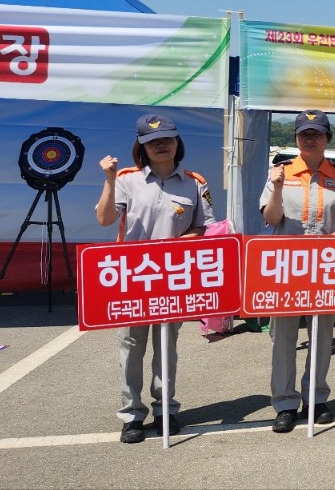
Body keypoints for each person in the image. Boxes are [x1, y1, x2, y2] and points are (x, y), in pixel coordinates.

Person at [95, 113, 213, 443]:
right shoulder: (126, 179)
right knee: (131, 347)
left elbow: (204, 228)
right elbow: (105, 219)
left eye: (167, 140)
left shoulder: (195, 182)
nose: (161, 146)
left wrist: (176, 247)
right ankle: (132, 415)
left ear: (177, 142)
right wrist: (109, 180)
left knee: (166, 346)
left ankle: (165, 410)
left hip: (173, 276)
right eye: (153, 142)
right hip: (133, 277)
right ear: (142, 147)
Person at [260, 109, 335, 434]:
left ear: (327, 138)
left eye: (316, 134)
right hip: (286, 269)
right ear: (296, 138)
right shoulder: (281, 173)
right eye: (304, 134)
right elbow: (271, 219)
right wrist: (277, 189)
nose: (310, 139)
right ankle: (285, 404)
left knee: (322, 335)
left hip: (326, 270)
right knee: (283, 339)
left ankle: (315, 398)